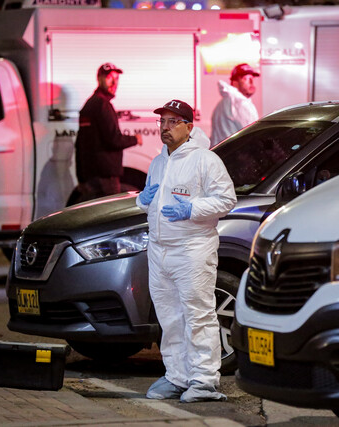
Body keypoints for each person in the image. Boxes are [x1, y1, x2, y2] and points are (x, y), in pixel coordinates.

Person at [136, 99, 236, 403]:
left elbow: (227, 200)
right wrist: (142, 200)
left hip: (191, 249)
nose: (165, 128)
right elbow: (148, 204)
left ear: (189, 127)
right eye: (162, 122)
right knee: (170, 317)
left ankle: (204, 381)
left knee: (198, 315)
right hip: (159, 250)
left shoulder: (205, 160)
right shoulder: (158, 162)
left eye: (172, 122)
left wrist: (192, 208)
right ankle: (176, 376)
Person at [75, 62, 143, 202]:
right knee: (111, 216)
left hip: (90, 177)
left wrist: (81, 177)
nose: (114, 83)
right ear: (99, 79)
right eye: (109, 78)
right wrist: (135, 139)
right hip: (105, 179)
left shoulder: (89, 105)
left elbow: (79, 144)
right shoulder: (102, 105)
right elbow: (113, 139)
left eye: (116, 79)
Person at [210, 63, 260, 147]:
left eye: (252, 78)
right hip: (236, 154)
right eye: (246, 78)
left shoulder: (222, 103)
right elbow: (253, 134)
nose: (251, 82)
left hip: (222, 154)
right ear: (235, 82)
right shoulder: (240, 102)